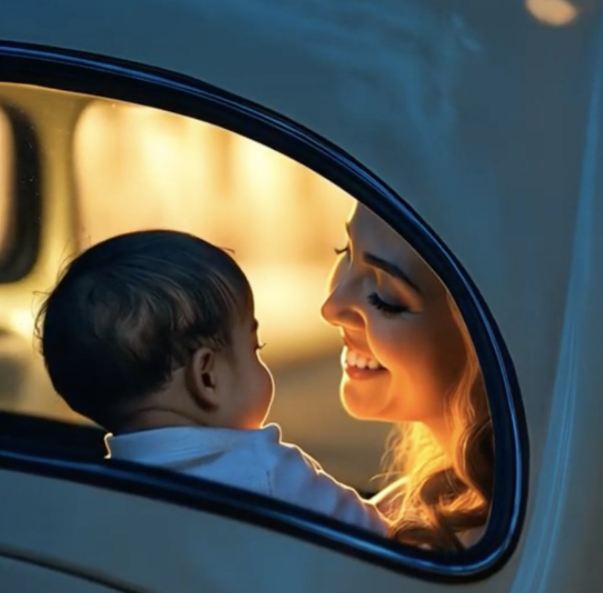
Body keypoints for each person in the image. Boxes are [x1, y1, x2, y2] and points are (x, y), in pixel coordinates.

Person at [36, 230, 387, 536]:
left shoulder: (94, 498)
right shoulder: (268, 474)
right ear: (207, 376)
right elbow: (379, 541)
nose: (258, 358)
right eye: (254, 348)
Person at [321, 204, 493, 551]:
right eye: (346, 252)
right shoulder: (412, 502)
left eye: (386, 298)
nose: (331, 306)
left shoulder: (478, 546)